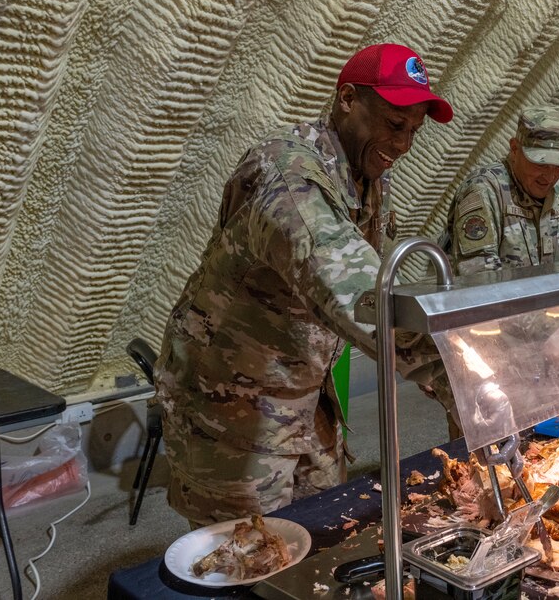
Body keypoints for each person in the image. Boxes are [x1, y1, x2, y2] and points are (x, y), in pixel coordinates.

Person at [153, 43, 457, 527]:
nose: (403, 146)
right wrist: (461, 374)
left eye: (414, 132)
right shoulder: (288, 176)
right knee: (249, 558)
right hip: (231, 409)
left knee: (321, 537)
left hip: (306, 392)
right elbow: (360, 294)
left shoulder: (365, 173)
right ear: (347, 100)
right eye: (394, 125)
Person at [445, 105, 559, 275]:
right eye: (541, 164)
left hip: (556, 310)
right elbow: (479, 275)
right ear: (515, 148)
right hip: (507, 310)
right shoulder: (484, 191)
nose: (550, 177)